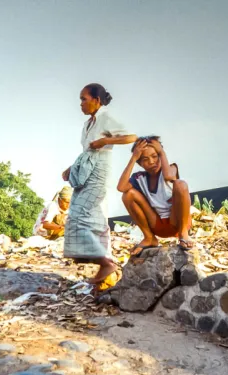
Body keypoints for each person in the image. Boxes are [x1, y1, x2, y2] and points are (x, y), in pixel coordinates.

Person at [62, 83, 137, 288]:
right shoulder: (87, 124)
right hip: (85, 170)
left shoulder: (105, 116)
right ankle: (101, 262)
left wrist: (104, 141)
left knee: (79, 215)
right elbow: (86, 150)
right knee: (92, 218)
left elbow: (132, 137)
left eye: (83, 99)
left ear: (96, 100)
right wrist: (71, 168)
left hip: (99, 172)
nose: (81, 104)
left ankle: (105, 263)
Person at [117, 136, 193, 257]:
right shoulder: (139, 178)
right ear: (140, 163)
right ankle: (149, 238)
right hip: (157, 224)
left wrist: (162, 152)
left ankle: (184, 233)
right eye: (145, 159)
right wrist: (133, 158)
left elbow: (168, 176)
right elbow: (121, 187)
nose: (151, 162)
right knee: (127, 195)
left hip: (176, 222)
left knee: (181, 184)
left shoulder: (172, 169)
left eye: (155, 156)